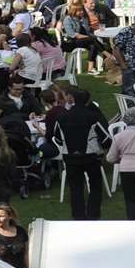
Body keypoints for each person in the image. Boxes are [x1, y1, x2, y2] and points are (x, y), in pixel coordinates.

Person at [52, 86, 109, 221]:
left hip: (70, 157)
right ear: (87, 101)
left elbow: (57, 138)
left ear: (72, 100)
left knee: (75, 188)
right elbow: (105, 138)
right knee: (95, 186)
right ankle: (93, 215)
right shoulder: (93, 117)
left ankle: (78, 217)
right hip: (91, 156)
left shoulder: (61, 117)